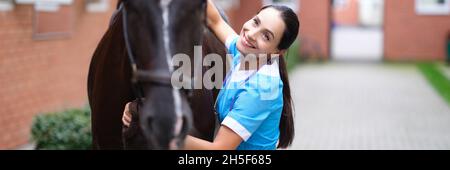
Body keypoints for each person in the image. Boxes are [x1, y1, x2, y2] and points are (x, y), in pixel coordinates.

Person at [123, 0, 299, 150]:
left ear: (278, 52)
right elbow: (215, 21)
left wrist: (161, 128)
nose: (251, 34)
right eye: (255, 22)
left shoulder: (261, 89)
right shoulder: (248, 55)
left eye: (266, 36)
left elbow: (219, 148)